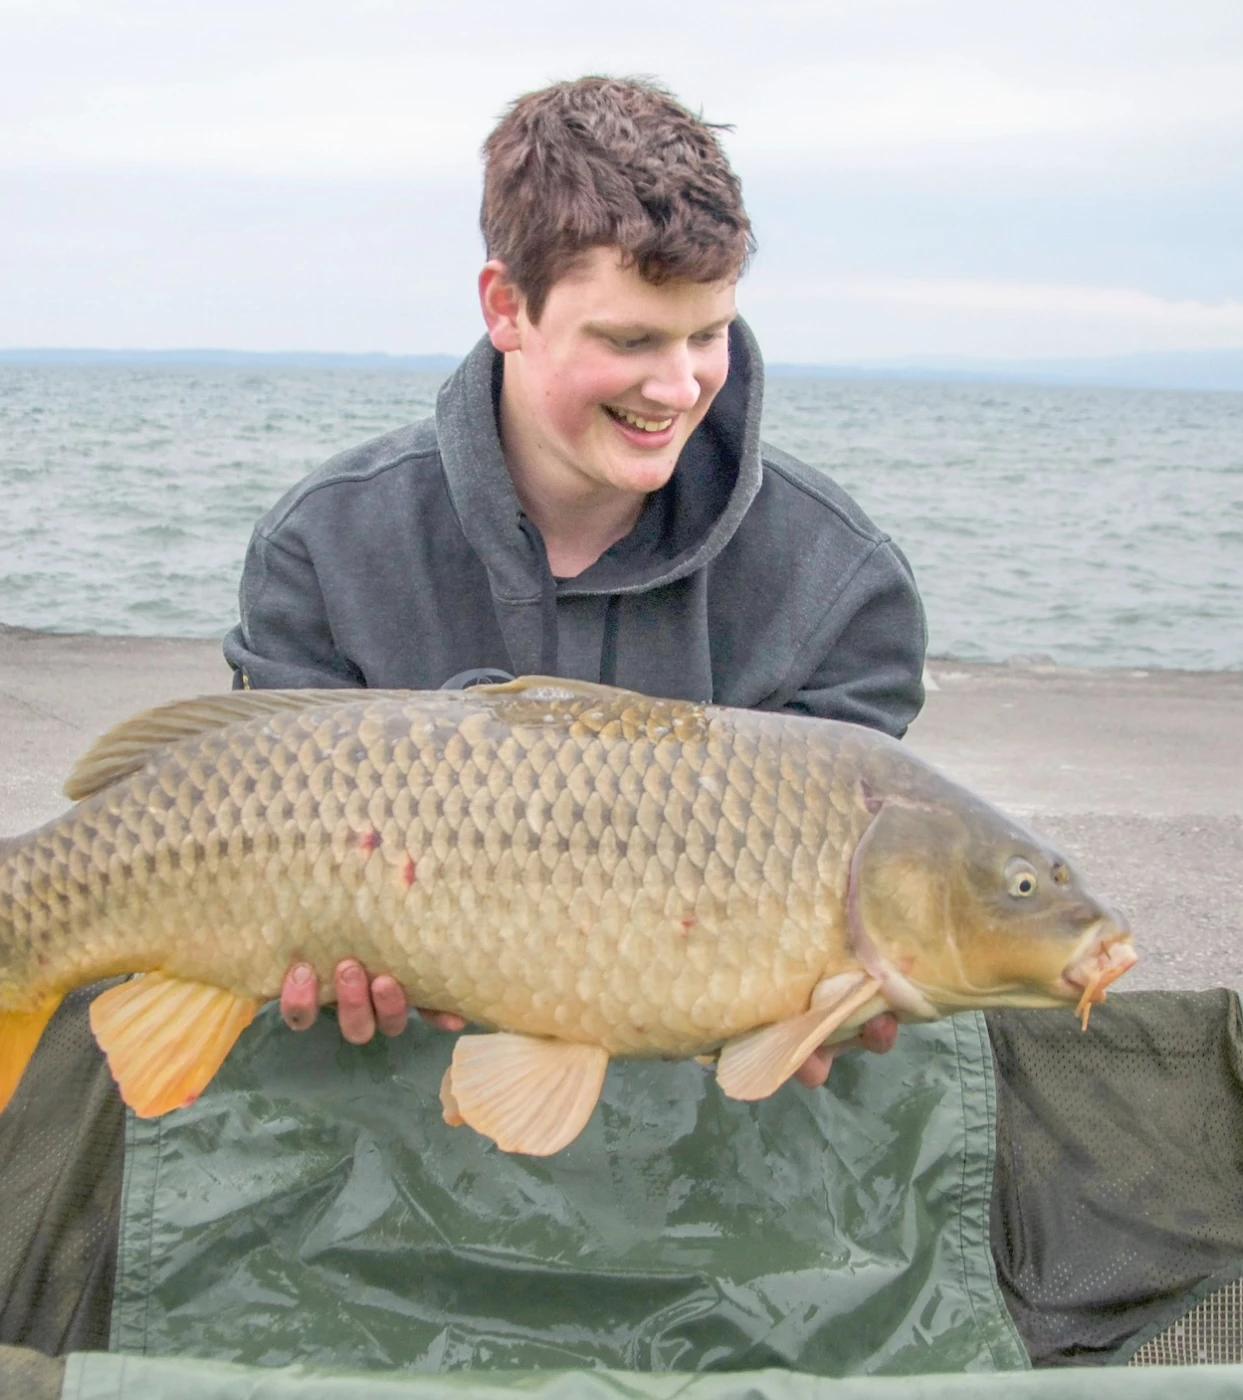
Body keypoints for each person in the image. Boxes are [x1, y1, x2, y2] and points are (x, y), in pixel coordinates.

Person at [222, 76, 927, 1084]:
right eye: (630, 339)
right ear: (507, 306)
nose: (678, 385)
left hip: (711, 1137)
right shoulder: (324, 544)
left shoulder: (842, 582)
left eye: (707, 331)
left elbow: (846, 921)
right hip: (394, 1091)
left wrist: (824, 1006)